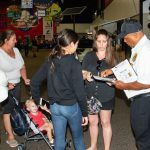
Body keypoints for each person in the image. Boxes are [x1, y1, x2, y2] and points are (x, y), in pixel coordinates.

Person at [30, 29, 88, 150]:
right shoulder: (75, 63)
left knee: (59, 140)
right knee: (78, 138)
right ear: (71, 44)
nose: (77, 47)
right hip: (71, 107)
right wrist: (84, 112)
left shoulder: (51, 60)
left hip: (55, 107)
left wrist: (39, 102)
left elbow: (34, 82)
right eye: (77, 44)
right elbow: (80, 92)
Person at [101, 19, 150, 150]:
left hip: (144, 102)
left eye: (125, 37)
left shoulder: (145, 51)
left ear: (134, 34)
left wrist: (123, 86)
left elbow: (146, 83)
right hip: (141, 100)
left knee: (143, 138)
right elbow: (130, 64)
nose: (124, 40)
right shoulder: (138, 47)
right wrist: (113, 70)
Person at [82, 29, 117, 150]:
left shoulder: (113, 57)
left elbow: (119, 76)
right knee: (92, 122)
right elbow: (82, 72)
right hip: (91, 94)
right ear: (95, 42)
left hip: (107, 94)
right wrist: (86, 75)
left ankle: (107, 148)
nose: (101, 44)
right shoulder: (89, 55)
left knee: (105, 123)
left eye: (104, 41)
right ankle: (93, 146)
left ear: (108, 42)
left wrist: (112, 83)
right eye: (99, 41)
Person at [0, 30, 30, 148]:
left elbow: (22, 67)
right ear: (6, 40)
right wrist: (6, 85)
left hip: (17, 85)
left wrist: (25, 78)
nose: (16, 41)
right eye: (13, 39)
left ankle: (16, 126)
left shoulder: (16, 50)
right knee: (7, 110)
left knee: (15, 108)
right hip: (4, 87)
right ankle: (10, 136)